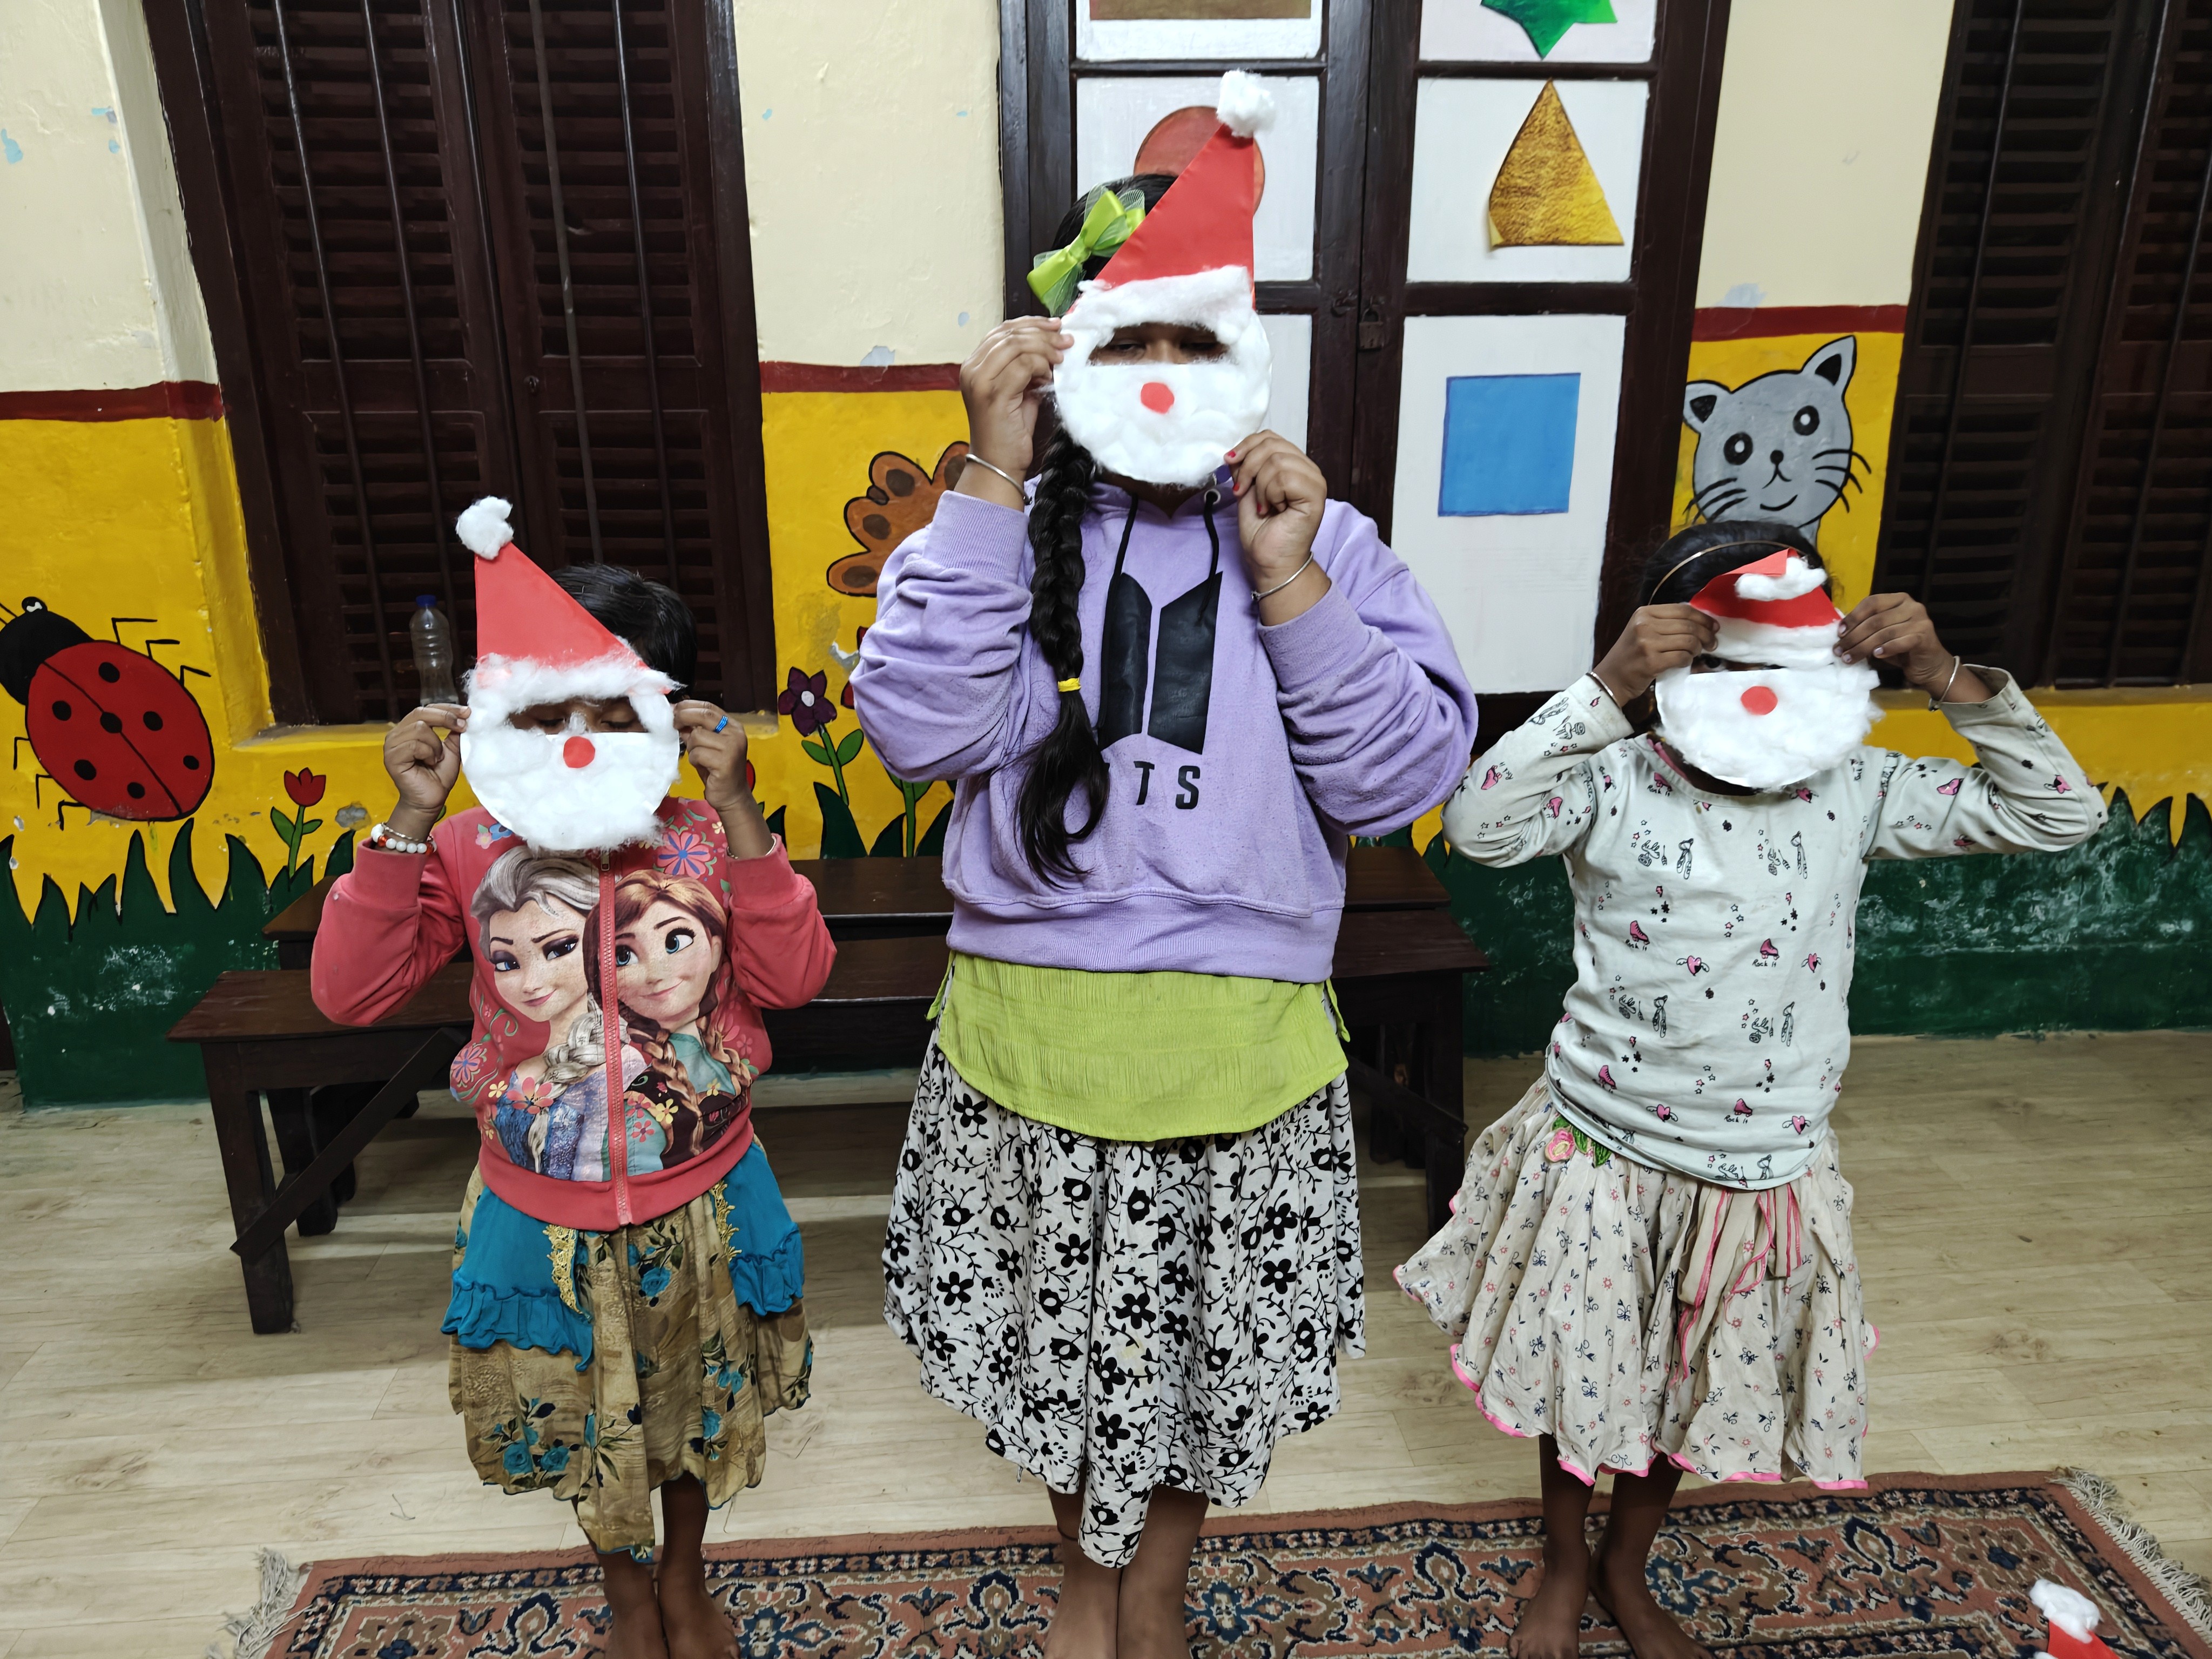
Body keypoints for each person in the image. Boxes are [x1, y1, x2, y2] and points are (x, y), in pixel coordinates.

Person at [850, 71, 1478, 1659]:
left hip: (1241, 1047)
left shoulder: (1323, 539)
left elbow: (1398, 777)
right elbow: (920, 731)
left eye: (1194, 342)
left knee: (1204, 1361)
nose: (1158, 374)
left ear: (1241, 357)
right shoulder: (991, 529)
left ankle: (1162, 1582)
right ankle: (1088, 1575)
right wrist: (989, 479)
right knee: (1062, 1360)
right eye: (1125, 338)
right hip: (1032, 1039)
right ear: (1061, 352)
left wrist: (1291, 586)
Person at [1396, 521, 2106, 1659]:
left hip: (1762, 1169)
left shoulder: (1858, 786)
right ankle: (1567, 1560)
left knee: (1687, 1375)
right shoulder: (1612, 780)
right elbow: (1477, 827)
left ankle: (1626, 1565)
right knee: (1587, 1368)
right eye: (1720, 663)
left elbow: (2061, 812)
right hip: (1604, 1149)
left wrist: (1942, 674)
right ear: (1671, 666)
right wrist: (1605, 686)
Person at [313, 501, 835, 1659]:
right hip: (536, 1215)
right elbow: (351, 993)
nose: (582, 738)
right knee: (582, 1417)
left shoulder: (705, 838)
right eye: (550, 713)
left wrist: (741, 811)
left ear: (669, 714)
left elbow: (795, 979)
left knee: (694, 1410)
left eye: (614, 710)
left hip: (705, 1201)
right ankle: (628, 1597)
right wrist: (408, 819)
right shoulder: (469, 848)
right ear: (502, 715)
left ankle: (684, 1582)